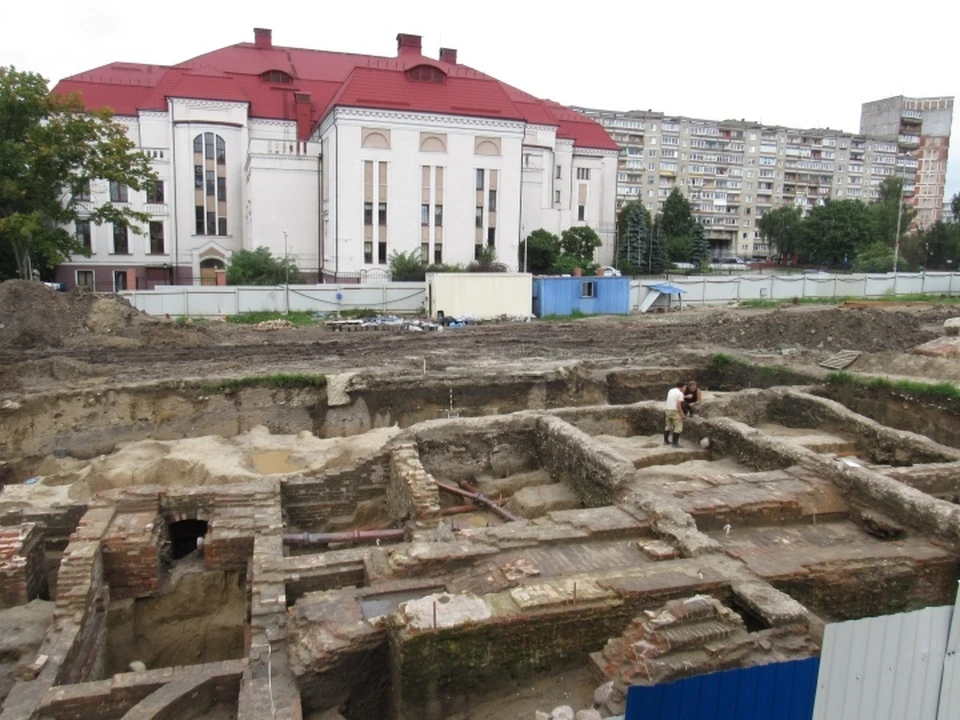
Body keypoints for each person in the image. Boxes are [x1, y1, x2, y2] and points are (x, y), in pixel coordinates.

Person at [664, 381, 685, 447]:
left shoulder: (670, 390)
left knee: (668, 426)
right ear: (682, 387)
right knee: (678, 427)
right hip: (674, 411)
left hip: (668, 410)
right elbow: (678, 405)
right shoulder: (680, 394)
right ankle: (675, 443)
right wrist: (681, 414)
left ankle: (666, 441)